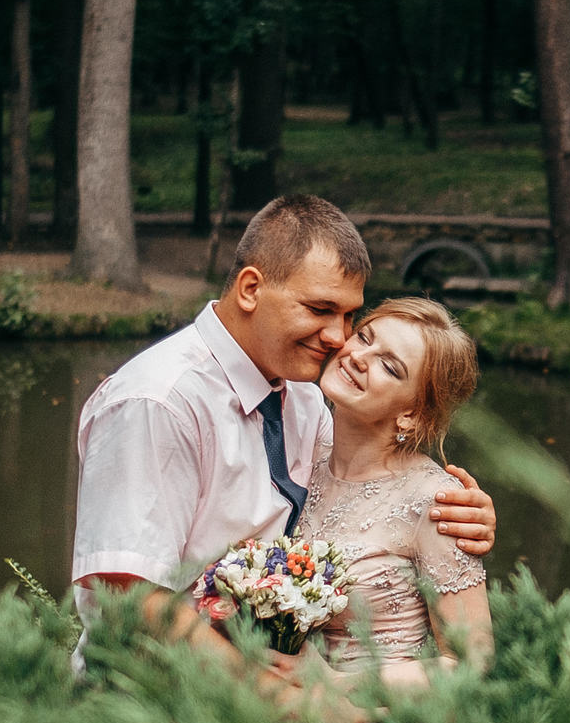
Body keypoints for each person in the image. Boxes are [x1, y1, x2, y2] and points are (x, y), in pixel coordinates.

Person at [68, 194, 496, 678]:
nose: (339, 339)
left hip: (261, 706)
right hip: (142, 692)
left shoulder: (305, 402)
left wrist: (464, 516)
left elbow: (375, 482)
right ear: (251, 289)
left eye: (349, 317)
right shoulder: (159, 401)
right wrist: (279, 694)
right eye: (320, 309)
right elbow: (127, 588)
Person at [299, 295, 490, 685]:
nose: (358, 357)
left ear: (412, 414)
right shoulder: (302, 457)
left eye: (389, 366)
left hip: (374, 711)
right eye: (364, 337)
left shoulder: (437, 503)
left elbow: (473, 661)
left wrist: (335, 687)